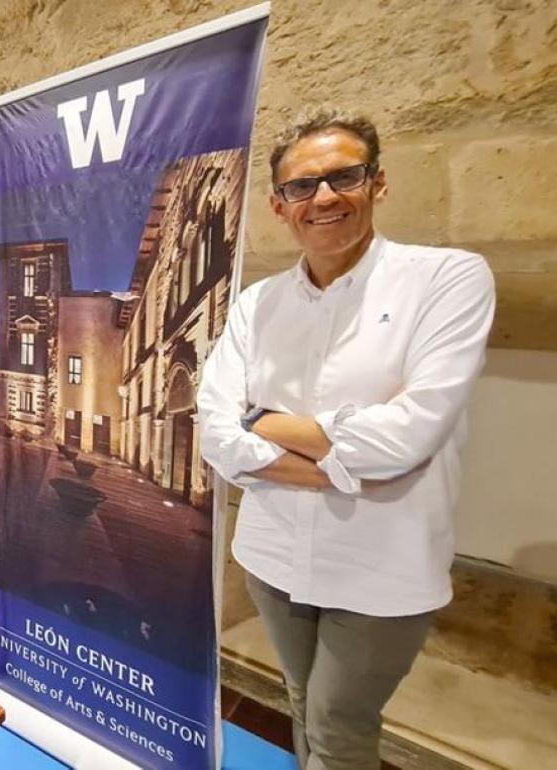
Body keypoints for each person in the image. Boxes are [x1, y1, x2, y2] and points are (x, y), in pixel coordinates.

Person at [196, 108, 495, 770]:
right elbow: (215, 433)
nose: (324, 197)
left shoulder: (447, 279)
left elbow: (410, 435)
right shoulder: (256, 305)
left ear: (377, 183)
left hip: (380, 562)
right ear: (279, 205)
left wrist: (262, 421)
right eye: (303, 186)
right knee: (303, 702)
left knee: (338, 721)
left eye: (343, 177)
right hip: (273, 559)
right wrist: (333, 456)